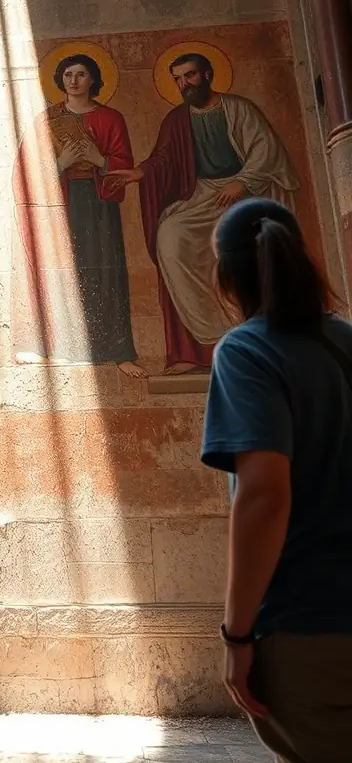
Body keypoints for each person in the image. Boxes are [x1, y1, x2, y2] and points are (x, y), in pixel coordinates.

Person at [201, 198, 352, 762]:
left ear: (226, 275)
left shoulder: (246, 350)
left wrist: (237, 636)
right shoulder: (348, 340)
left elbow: (264, 494)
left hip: (309, 624)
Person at [110, 53, 298, 374]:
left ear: (208, 74)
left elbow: (265, 149)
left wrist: (242, 181)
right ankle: (214, 336)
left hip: (246, 191)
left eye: (190, 75)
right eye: (178, 79)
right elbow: (164, 159)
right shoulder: (176, 119)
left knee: (239, 249)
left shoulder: (238, 109)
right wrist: (140, 173)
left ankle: (259, 331)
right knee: (169, 236)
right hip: (202, 195)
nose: (184, 84)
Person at [12, 53, 146, 377]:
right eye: (68, 74)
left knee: (106, 273)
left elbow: (123, 163)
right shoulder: (46, 121)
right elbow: (26, 170)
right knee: (62, 272)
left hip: (99, 203)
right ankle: (62, 348)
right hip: (62, 202)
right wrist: (62, 161)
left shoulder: (110, 118)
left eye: (81, 74)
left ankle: (118, 352)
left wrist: (100, 159)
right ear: (60, 80)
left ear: (92, 79)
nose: (74, 80)